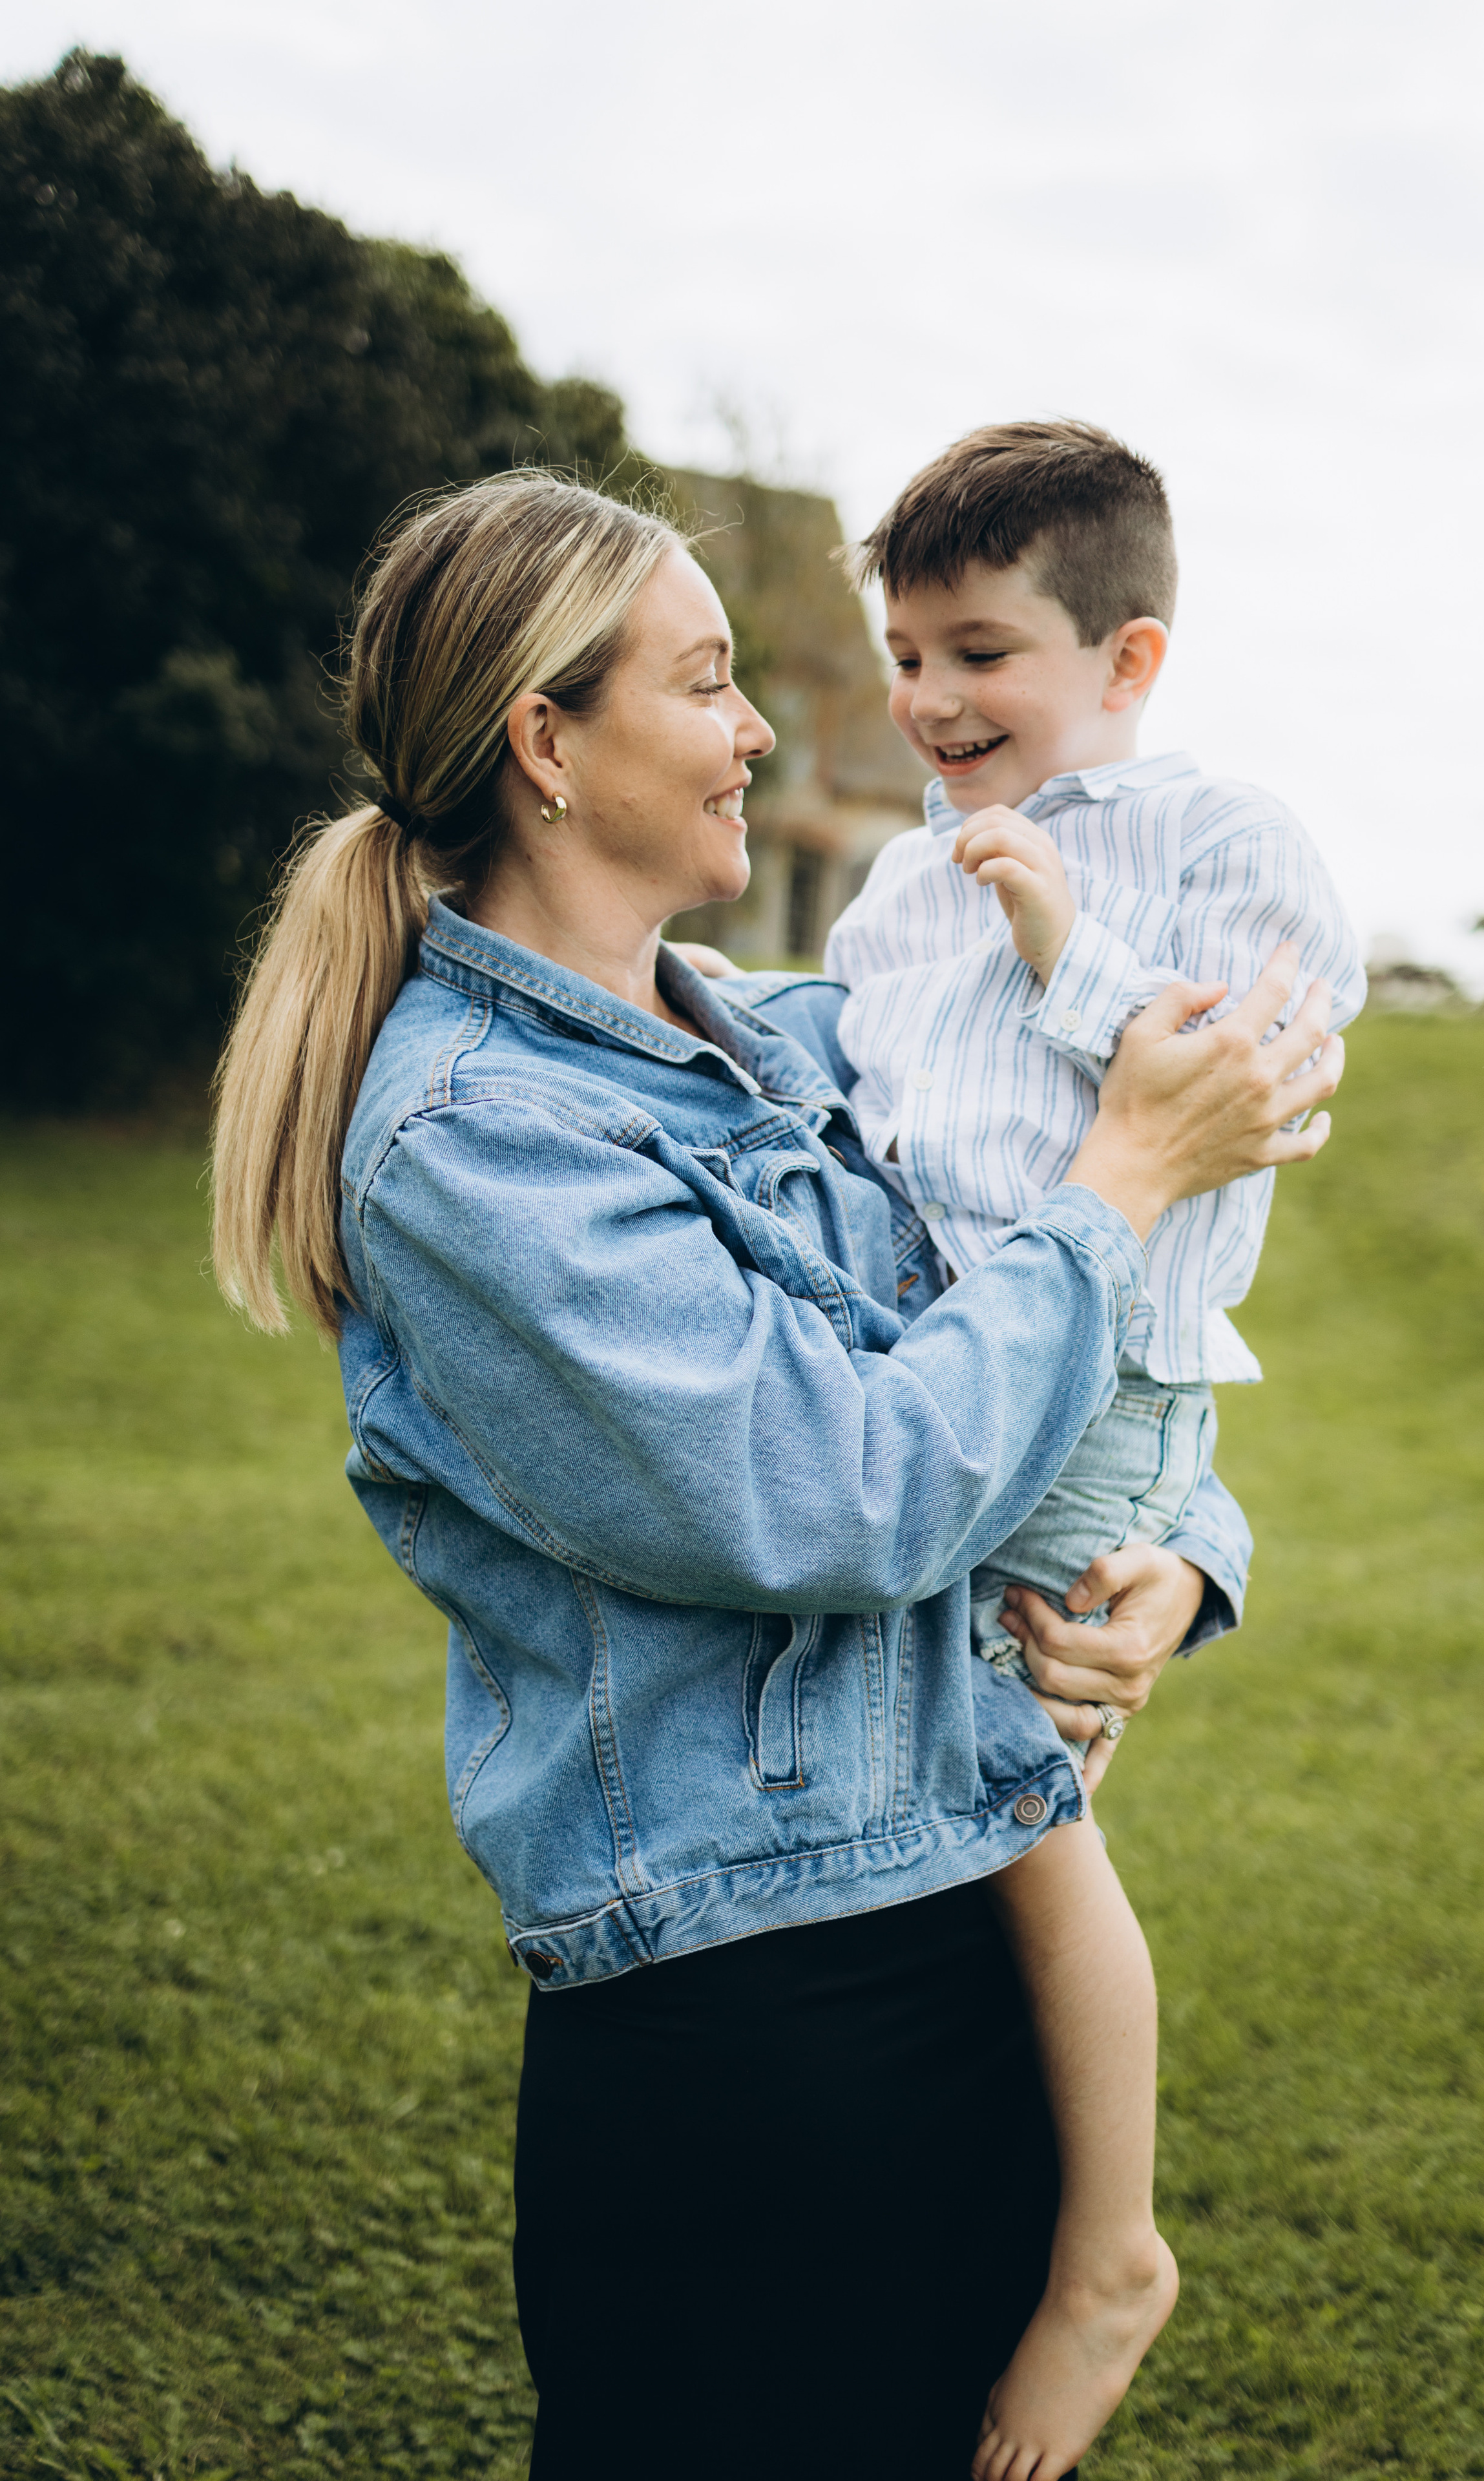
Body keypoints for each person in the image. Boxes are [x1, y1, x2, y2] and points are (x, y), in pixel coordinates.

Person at [210, 468, 1343, 2481]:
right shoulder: (473, 1143)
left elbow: (1022, 1317)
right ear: (547, 746)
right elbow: (848, 1495)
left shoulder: (798, 1044)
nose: (762, 733)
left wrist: (1179, 1552)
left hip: (956, 1907)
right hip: (753, 2020)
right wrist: (1133, 1171)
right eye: (710, 683)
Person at [812, 417, 1366, 2473]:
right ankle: (976, 2216)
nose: (934, 703)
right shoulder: (887, 871)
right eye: (907, 655)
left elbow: (1257, 1074)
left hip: (1102, 1370)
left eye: (984, 654)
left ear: (1127, 661)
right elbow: (865, 1086)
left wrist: (1067, 942)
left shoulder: (1220, 839)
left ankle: (1111, 2253)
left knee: (1016, 1812)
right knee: (948, 1823)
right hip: (941, 1358)